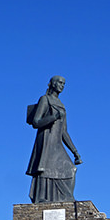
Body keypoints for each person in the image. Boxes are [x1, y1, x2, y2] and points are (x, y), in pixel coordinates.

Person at [26, 75, 83, 203]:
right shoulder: (45, 99)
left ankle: (67, 198)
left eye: (64, 84)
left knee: (71, 169)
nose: (62, 86)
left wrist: (75, 152)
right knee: (45, 169)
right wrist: (54, 116)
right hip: (46, 140)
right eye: (60, 83)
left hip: (57, 143)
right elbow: (36, 122)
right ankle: (42, 198)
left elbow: (64, 132)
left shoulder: (61, 104)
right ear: (52, 84)